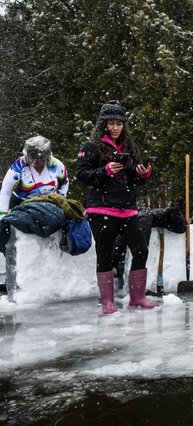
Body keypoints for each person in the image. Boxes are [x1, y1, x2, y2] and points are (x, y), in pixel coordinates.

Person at [76, 100, 157, 314]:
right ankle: (108, 303)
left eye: (119, 124)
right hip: (101, 209)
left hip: (127, 208)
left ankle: (138, 298)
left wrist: (143, 174)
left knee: (140, 250)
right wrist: (105, 171)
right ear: (103, 124)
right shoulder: (90, 147)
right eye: (111, 123)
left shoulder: (130, 147)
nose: (115, 128)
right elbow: (82, 175)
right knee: (106, 254)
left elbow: (135, 179)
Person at [0, 136, 69, 215]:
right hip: (21, 205)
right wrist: (2, 213)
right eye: (32, 157)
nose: (35, 161)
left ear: (47, 157)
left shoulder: (56, 165)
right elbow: (6, 191)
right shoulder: (18, 166)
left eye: (39, 158)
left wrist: (61, 198)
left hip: (49, 205)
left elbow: (65, 182)